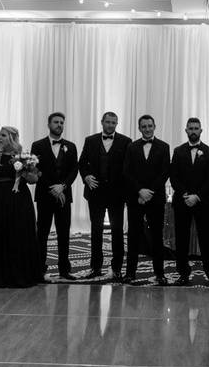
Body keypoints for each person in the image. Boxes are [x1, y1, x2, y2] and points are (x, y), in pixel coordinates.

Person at [0, 126, 41, 287]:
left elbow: (34, 179)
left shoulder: (23, 155)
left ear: (12, 138)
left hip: (18, 201)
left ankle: (18, 274)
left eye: (3, 135)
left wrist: (24, 168)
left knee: (16, 235)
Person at [78, 112, 131, 281]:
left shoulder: (125, 141)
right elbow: (82, 163)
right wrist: (86, 177)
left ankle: (117, 269)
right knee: (96, 230)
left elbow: (129, 168)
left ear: (117, 123)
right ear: (102, 122)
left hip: (117, 194)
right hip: (95, 193)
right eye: (108, 122)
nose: (110, 125)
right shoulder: (90, 140)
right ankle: (95, 267)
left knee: (117, 232)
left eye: (114, 122)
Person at [122, 115, 171, 285]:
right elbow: (127, 172)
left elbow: (165, 172)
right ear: (139, 128)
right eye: (144, 126)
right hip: (136, 198)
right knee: (133, 236)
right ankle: (130, 273)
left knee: (157, 237)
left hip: (155, 198)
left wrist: (149, 192)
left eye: (150, 125)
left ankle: (160, 274)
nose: (147, 129)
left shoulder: (164, 147)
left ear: (155, 126)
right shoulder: (132, 147)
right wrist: (140, 191)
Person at [169, 118, 209, 286]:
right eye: (190, 128)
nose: (193, 131)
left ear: (201, 130)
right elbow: (173, 176)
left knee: (206, 239)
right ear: (186, 130)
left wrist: (197, 196)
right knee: (181, 240)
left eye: (196, 128)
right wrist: (185, 195)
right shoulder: (178, 151)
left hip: (202, 202)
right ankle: (183, 274)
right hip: (182, 202)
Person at [30, 112, 79, 280]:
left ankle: (64, 270)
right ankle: (40, 269)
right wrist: (52, 188)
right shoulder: (37, 145)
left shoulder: (71, 146)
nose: (59, 125)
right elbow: (34, 169)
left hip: (64, 195)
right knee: (42, 234)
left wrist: (62, 187)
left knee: (64, 233)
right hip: (45, 195)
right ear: (49, 124)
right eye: (56, 122)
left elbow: (74, 170)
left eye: (62, 122)